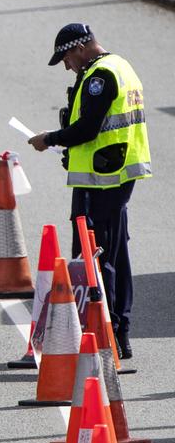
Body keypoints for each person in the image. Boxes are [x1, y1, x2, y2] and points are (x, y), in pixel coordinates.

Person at [28, 23, 151, 359]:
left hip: (102, 176)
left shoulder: (100, 77)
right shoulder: (120, 66)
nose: (67, 66)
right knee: (114, 253)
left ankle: (102, 333)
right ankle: (118, 333)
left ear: (80, 48)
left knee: (95, 256)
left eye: (67, 58)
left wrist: (49, 139)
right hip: (117, 172)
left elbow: (88, 127)